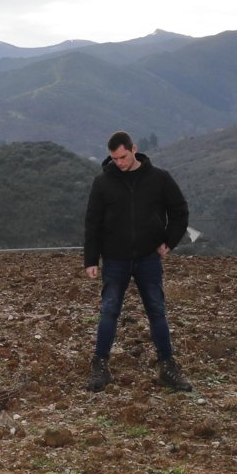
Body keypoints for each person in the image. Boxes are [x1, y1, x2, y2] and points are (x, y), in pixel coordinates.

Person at [83, 131, 193, 393]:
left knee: (156, 310)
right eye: (114, 158)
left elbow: (179, 211)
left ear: (134, 149)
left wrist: (169, 241)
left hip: (148, 259)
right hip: (115, 259)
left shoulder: (159, 178)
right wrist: (91, 259)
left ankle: (168, 367)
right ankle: (100, 366)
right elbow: (92, 222)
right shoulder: (102, 183)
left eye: (122, 157)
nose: (119, 163)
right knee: (109, 311)